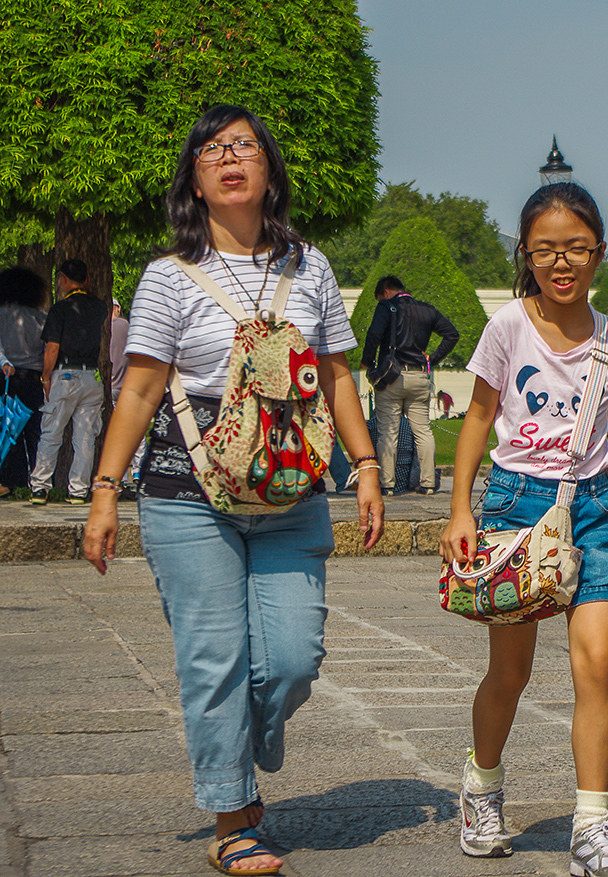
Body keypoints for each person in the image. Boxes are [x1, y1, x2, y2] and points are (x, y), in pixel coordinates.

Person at [81, 104, 384, 876]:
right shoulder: (164, 277)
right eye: (211, 150)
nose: (229, 158)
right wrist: (106, 490)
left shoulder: (308, 267)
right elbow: (141, 390)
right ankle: (230, 815)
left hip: (292, 490)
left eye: (243, 145)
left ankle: (241, 753)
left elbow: (341, 376)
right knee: (212, 658)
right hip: (187, 491)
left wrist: (368, 466)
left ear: (268, 169)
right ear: (194, 179)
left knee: (291, 658)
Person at [439, 182, 608, 877]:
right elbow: (476, 418)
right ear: (525, 253)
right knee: (512, 670)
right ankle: (482, 784)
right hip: (515, 506)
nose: (562, 262)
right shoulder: (508, 327)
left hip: (592, 510)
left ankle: (591, 823)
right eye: (547, 249)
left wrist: (589, 476)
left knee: (597, 661)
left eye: (576, 248)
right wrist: (461, 506)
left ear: (599, 253)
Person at [363, 275, 459, 496]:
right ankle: (427, 483)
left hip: (392, 376)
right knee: (423, 431)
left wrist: (367, 362)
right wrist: (432, 359)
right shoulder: (427, 310)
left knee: (388, 432)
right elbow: (452, 334)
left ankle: (387, 485)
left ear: (386, 292)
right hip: (419, 376)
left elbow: (374, 335)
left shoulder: (387, 306)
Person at [28, 259, 110, 504]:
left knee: (52, 432)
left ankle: (40, 487)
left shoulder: (60, 309)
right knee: (85, 437)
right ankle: (78, 490)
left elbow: (52, 348)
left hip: (65, 375)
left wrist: (45, 378)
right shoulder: (100, 307)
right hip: (91, 378)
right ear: (86, 279)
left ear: (63, 280)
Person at [0, 266, 49, 497]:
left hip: (7, 379)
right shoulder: (41, 318)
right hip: (34, 380)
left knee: (10, 429)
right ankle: (39, 481)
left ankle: (13, 482)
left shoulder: (1, 315)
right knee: (35, 431)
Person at [106, 298, 143, 495]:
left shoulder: (101, 329)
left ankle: (114, 474)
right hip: (126, 385)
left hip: (108, 386)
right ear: (118, 309)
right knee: (135, 427)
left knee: (112, 430)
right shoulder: (125, 325)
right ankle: (136, 472)